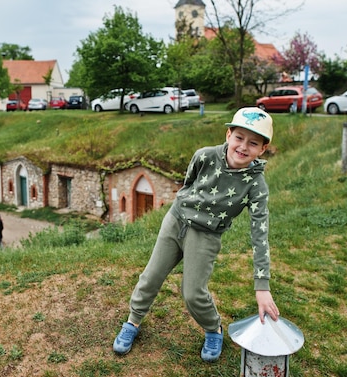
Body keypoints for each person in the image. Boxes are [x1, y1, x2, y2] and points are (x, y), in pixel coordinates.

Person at [112, 107, 280, 362]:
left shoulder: (256, 186)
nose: (243, 146)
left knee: (193, 292)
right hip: (175, 221)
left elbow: (260, 233)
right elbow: (189, 183)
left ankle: (213, 329)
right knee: (150, 277)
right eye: (239, 137)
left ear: (262, 149)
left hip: (206, 236)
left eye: (253, 142)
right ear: (228, 134)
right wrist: (183, 208)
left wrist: (262, 285)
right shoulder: (204, 156)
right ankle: (133, 322)